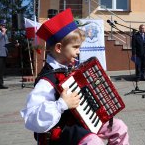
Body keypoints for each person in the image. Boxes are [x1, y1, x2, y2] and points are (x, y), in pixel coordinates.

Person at [21, 8, 129, 145]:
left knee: (119, 127)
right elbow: (31, 119)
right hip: (61, 130)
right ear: (59, 48)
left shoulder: (71, 69)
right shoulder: (46, 81)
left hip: (83, 122)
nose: (78, 52)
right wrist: (61, 104)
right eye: (75, 47)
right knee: (93, 142)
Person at [0, 19, 9, 89]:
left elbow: (7, 43)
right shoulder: (1, 33)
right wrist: (2, 33)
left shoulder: (4, 33)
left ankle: (1, 84)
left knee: (2, 70)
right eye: (2, 25)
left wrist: (14, 44)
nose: (4, 26)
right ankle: (0, 84)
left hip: (4, 53)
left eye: (4, 25)